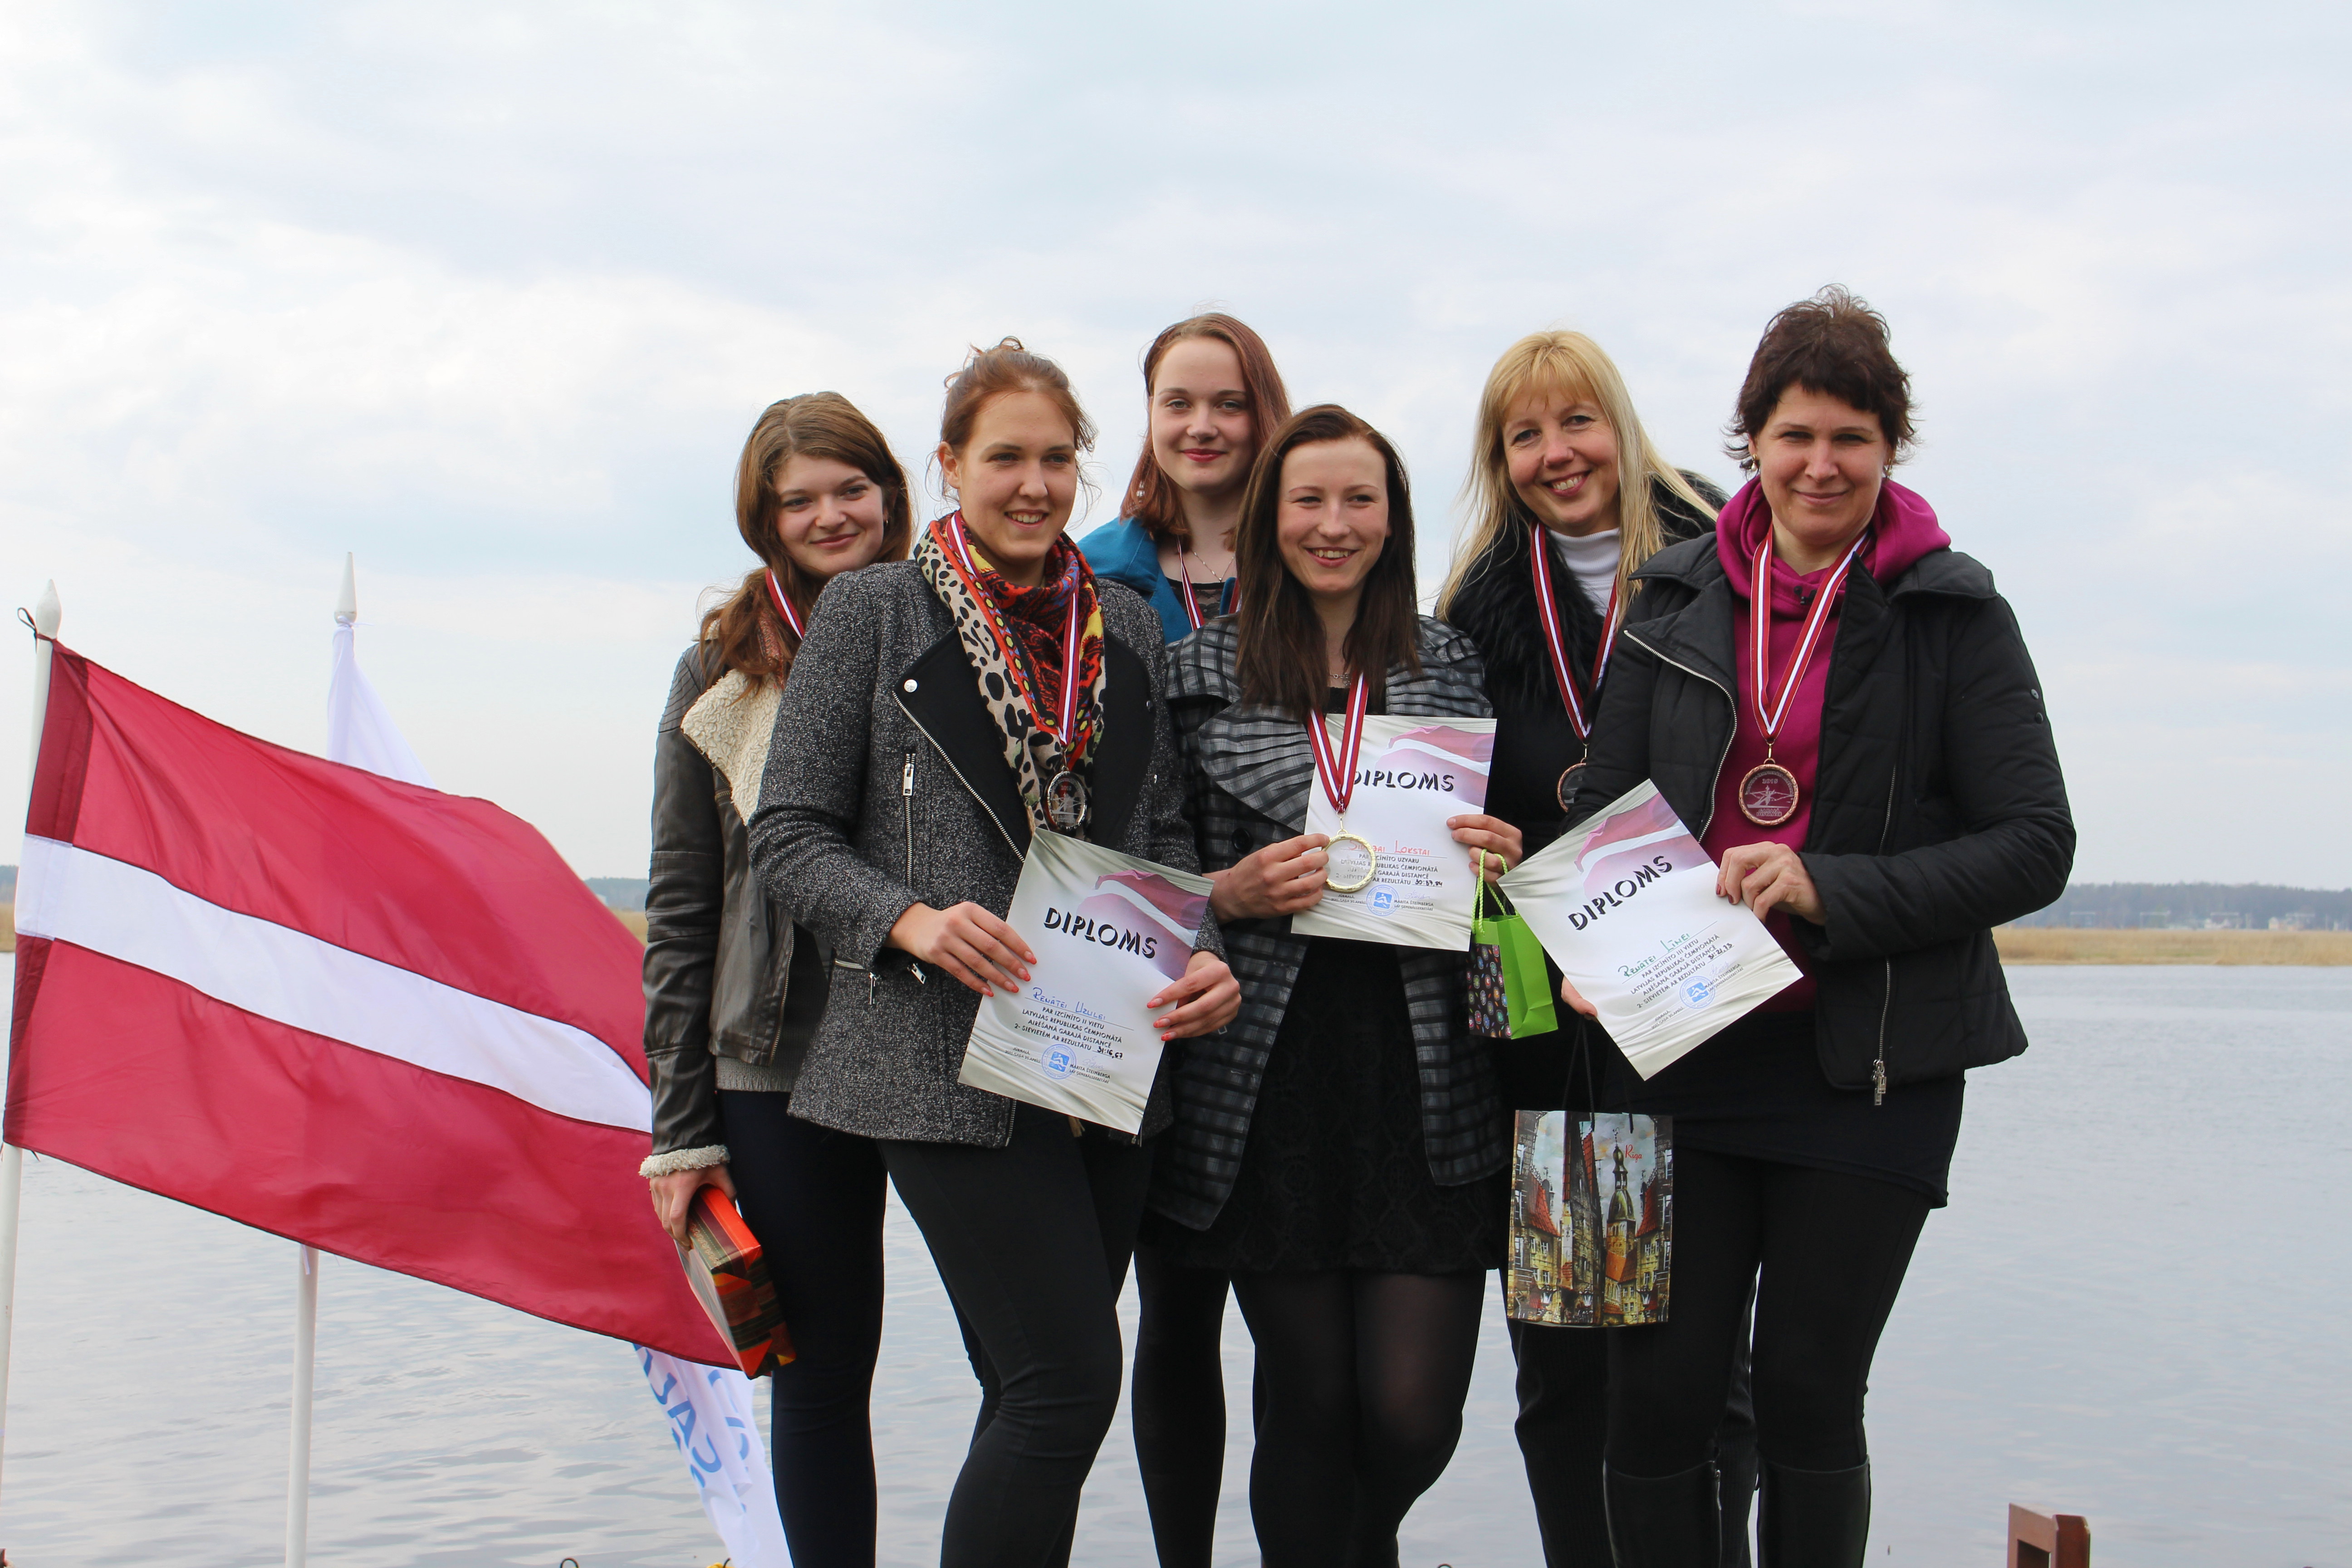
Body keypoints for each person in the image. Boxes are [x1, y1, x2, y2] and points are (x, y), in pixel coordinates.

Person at [1561, 288, 2073, 1566]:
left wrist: (1828, 886)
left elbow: (2035, 844)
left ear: (1892, 444)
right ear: (1752, 441)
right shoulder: (1668, 597)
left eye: (1853, 437)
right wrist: (1584, 950)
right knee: (1652, 1400)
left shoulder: (1956, 612)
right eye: (1795, 435)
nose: (1822, 464)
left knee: (1805, 1392)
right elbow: (1602, 815)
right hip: (1665, 1057)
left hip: (1869, 1070)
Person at [749, 339, 1243, 1568]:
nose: (1034, 484)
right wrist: (907, 919)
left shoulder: (1127, 625)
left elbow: (1164, 837)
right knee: (1066, 1383)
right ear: (951, 465)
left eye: (1057, 459)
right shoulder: (874, 612)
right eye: (1006, 458)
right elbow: (789, 834)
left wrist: (1203, 952)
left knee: (1031, 1394)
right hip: (934, 1057)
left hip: (1100, 1053)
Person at [1153, 404, 1525, 1568]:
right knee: (1310, 1406)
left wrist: (1501, 866)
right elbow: (1147, 867)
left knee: (1414, 1416)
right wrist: (1225, 894)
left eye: (1360, 499)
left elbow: (1498, 889)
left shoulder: (1450, 662)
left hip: (1430, 1071)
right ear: (1268, 518)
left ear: (1393, 519)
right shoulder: (1195, 669)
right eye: (1308, 499)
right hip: (1267, 1079)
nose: (1334, 524)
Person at [1436, 331, 1759, 1566]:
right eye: (1525, 434)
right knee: (1567, 1355)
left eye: (1577, 422)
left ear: (1620, 427)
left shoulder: (1727, 563)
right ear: (1500, 459)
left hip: (1700, 1011)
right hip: (1549, 1030)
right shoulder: (1474, 610)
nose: (1556, 452)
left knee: (1705, 1366)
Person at [639, 392, 914, 1567]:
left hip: (944, 1044)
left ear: (891, 492)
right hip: (777, 1065)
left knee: (1031, 1362)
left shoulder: (948, 627)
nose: (830, 515)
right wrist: (681, 1130)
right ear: (764, 520)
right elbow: (682, 907)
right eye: (799, 500)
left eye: (851, 489)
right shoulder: (717, 667)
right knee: (823, 1372)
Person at [1078, 312, 1293, 1568]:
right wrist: (1210, 897)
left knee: (1289, 1316)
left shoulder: (1316, 551)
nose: (1203, 427)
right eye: (1179, 403)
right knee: (1174, 1309)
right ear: (1150, 417)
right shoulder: (1092, 573)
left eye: (1229, 403)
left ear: (1265, 414)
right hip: (1141, 978)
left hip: (1295, 979)